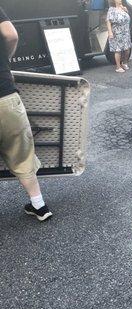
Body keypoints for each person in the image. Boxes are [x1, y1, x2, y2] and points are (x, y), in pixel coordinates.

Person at [0, 7, 52, 221]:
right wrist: (6, 60)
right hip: (6, 96)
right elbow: (11, 34)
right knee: (22, 155)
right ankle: (39, 206)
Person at [106, 0, 131, 73]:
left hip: (125, 32)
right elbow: (108, 21)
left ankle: (125, 62)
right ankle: (118, 67)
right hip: (116, 32)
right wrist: (110, 32)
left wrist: (126, 11)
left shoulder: (123, 8)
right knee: (118, 50)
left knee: (127, 49)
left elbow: (127, 18)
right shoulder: (111, 9)